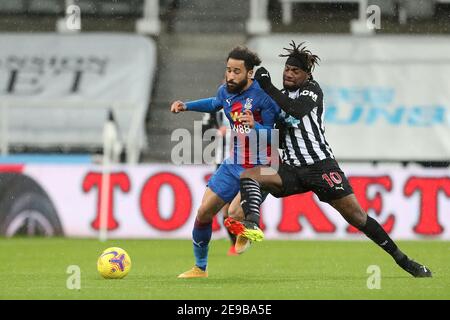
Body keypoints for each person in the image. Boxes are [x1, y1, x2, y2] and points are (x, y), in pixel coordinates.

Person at [225, 41, 432, 278]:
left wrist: (266, 86)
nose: (289, 74)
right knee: (251, 176)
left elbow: (295, 110)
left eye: (296, 71)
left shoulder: (311, 90)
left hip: (321, 167)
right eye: (287, 69)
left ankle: (404, 261)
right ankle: (252, 225)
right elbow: (276, 135)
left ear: (306, 74)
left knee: (358, 217)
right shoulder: (279, 97)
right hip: (292, 169)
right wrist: (254, 124)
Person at [171, 46, 279, 278]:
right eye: (228, 70)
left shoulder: (264, 99)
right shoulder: (225, 92)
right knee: (203, 212)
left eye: (236, 71)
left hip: (261, 167)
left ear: (250, 73)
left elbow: (274, 135)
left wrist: (256, 127)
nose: (230, 76)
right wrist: (186, 105)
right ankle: (200, 268)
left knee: (233, 213)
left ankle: (248, 230)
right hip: (233, 163)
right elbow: (213, 103)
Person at [201, 109, 238, 256]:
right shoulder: (215, 108)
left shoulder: (248, 103)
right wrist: (216, 131)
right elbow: (205, 133)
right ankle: (234, 243)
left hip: (243, 163)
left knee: (236, 206)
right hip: (221, 164)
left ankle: (244, 233)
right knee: (225, 209)